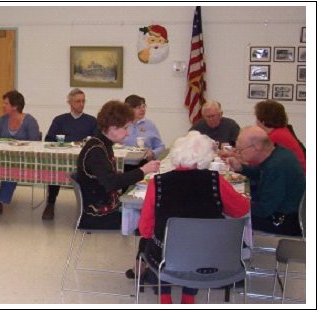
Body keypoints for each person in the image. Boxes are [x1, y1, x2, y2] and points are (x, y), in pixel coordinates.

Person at [133, 131, 250, 304]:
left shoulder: (156, 183)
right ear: (205, 157)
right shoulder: (215, 180)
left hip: (167, 256)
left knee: (157, 242)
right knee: (197, 242)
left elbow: (145, 229)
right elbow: (241, 210)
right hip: (210, 255)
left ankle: (165, 298)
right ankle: (188, 298)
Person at [77, 100, 160, 230]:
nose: (128, 133)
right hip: (98, 216)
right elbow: (112, 183)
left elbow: (110, 178)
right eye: (125, 128)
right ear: (112, 127)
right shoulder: (96, 150)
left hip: (108, 207)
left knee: (150, 215)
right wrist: (143, 170)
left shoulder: (103, 144)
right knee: (152, 220)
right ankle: (145, 251)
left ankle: (145, 250)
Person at [227, 126, 304, 236]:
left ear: (257, 147)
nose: (239, 153)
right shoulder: (278, 153)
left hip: (286, 221)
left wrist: (235, 202)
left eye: (241, 150)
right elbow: (260, 172)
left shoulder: (276, 166)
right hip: (286, 212)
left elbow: (264, 210)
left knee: (229, 216)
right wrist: (241, 168)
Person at [42, 88, 97, 220]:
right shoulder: (60, 120)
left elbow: (96, 141)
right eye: (78, 101)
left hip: (84, 160)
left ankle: (88, 207)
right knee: (54, 168)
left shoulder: (91, 121)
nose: (81, 104)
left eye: (83, 101)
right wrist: (67, 141)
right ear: (70, 102)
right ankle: (50, 203)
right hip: (62, 158)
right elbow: (49, 139)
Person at [254, 100, 305, 173]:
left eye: (257, 118)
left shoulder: (275, 136)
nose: (256, 122)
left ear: (263, 120)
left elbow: (260, 161)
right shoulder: (281, 131)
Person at [123, 94, 165, 161]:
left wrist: (153, 153)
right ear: (129, 109)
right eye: (138, 107)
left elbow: (160, 146)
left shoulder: (150, 125)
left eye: (144, 106)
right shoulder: (121, 124)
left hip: (144, 163)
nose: (142, 110)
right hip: (123, 163)